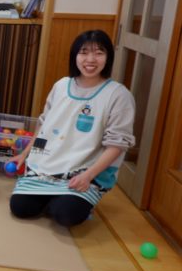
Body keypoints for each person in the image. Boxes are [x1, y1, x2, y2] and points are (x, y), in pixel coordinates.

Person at [8, 30, 135, 227]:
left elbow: (117, 145)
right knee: (20, 208)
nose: (90, 59)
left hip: (85, 171)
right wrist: (25, 154)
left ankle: (69, 200)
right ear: (75, 56)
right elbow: (45, 129)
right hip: (46, 166)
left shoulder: (119, 95)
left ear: (108, 57)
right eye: (84, 52)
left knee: (65, 215)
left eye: (99, 53)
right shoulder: (61, 85)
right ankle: (55, 196)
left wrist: (88, 176)